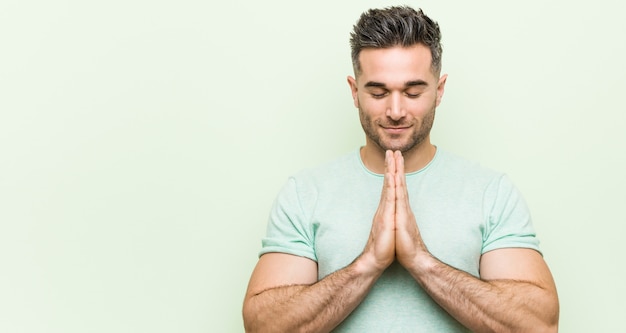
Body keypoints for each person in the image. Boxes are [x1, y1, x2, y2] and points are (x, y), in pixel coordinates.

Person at [242, 6, 559, 333]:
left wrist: (421, 261)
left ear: (439, 90)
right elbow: (264, 326)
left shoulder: (492, 193)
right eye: (378, 92)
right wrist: (368, 264)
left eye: (413, 91)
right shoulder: (305, 193)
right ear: (354, 92)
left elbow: (539, 325)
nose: (395, 110)